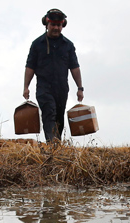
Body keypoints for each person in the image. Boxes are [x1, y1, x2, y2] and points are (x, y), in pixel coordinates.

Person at [23, 8, 84, 143]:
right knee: (49, 112)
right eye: (53, 25)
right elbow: (30, 67)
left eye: (59, 25)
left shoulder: (68, 45)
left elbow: (74, 67)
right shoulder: (37, 44)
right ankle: (52, 143)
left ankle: (57, 145)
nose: (56, 28)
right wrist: (26, 87)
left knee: (59, 117)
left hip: (61, 88)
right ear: (47, 24)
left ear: (63, 25)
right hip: (44, 87)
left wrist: (80, 88)